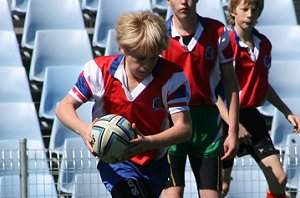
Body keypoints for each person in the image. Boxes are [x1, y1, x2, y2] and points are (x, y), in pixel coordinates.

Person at [55, 10, 193, 198]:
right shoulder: (99, 71)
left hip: (155, 164)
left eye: (153, 57)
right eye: (140, 58)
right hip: (116, 161)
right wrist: (84, 129)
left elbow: (184, 128)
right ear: (123, 48)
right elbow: (63, 107)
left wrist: (148, 142)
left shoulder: (172, 77)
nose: (147, 64)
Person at [220, 0, 300, 197]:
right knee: (221, 187)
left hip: (251, 116)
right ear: (232, 11)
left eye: (254, 10)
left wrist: (287, 112)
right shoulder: (225, 43)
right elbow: (212, 90)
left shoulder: (263, 44)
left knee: (279, 178)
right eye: (244, 9)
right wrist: (234, 125)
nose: (249, 14)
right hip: (223, 117)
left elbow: (263, 86)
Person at [161, 0, 240, 197]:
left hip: (207, 125)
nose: (184, 2)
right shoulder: (159, 34)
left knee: (212, 195)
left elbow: (231, 83)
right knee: (173, 194)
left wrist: (233, 130)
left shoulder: (218, 31)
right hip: (171, 121)